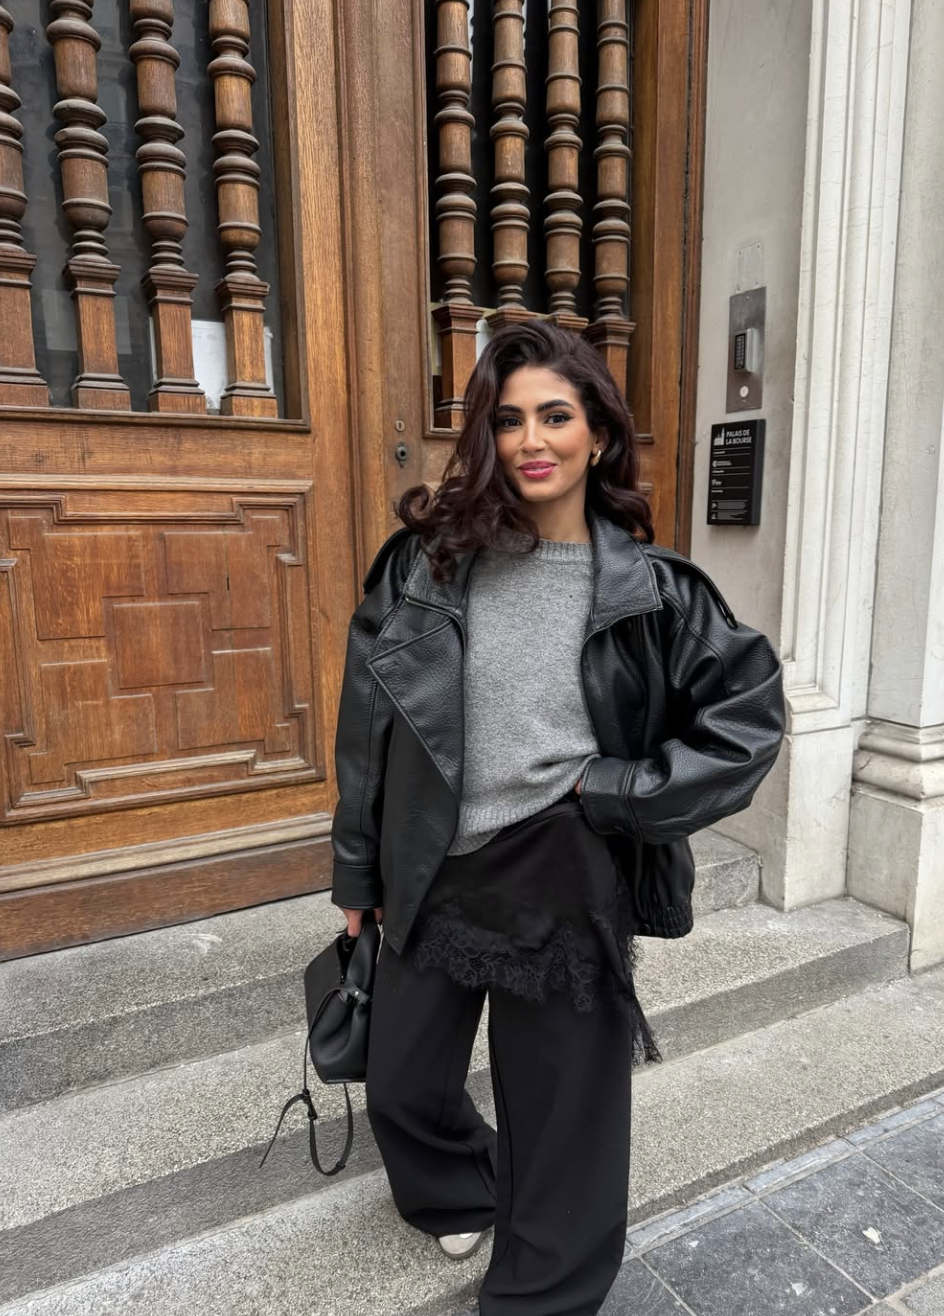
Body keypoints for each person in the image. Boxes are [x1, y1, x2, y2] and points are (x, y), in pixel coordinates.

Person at [330, 320, 784, 1316]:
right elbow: (367, 726)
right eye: (507, 419)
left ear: (597, 434)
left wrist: (615, 789)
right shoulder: (422, 566)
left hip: (562, 865)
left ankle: (542, 1296)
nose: (530, 439)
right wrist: (355, 874)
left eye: (554, 415)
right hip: (434, 860)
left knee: (562, 1116)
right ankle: (460, 1185)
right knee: (401, 1082)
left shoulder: (654, 590)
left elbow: (746, 723)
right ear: (484, 437)